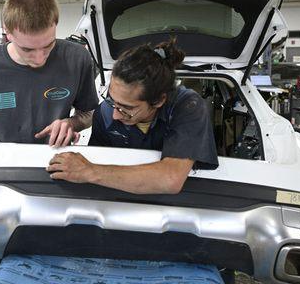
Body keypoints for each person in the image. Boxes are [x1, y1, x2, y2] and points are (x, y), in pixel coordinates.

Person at [47, 38, 218, 194]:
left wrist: (89, 171)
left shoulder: (188, 107)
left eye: (126, 108)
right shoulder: (105, 112)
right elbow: (98, 161)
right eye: (112, 101)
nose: (114, 115)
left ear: (158, 101)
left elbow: (171, 179)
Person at [0, 0, 99, 147]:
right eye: (27, 49)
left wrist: (71, 124)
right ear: (7, 31)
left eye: (48, 45)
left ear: (55, 24)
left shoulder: (77, 58)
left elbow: (88, 113)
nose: (39, 59)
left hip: (55, 157)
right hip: (1, 160)